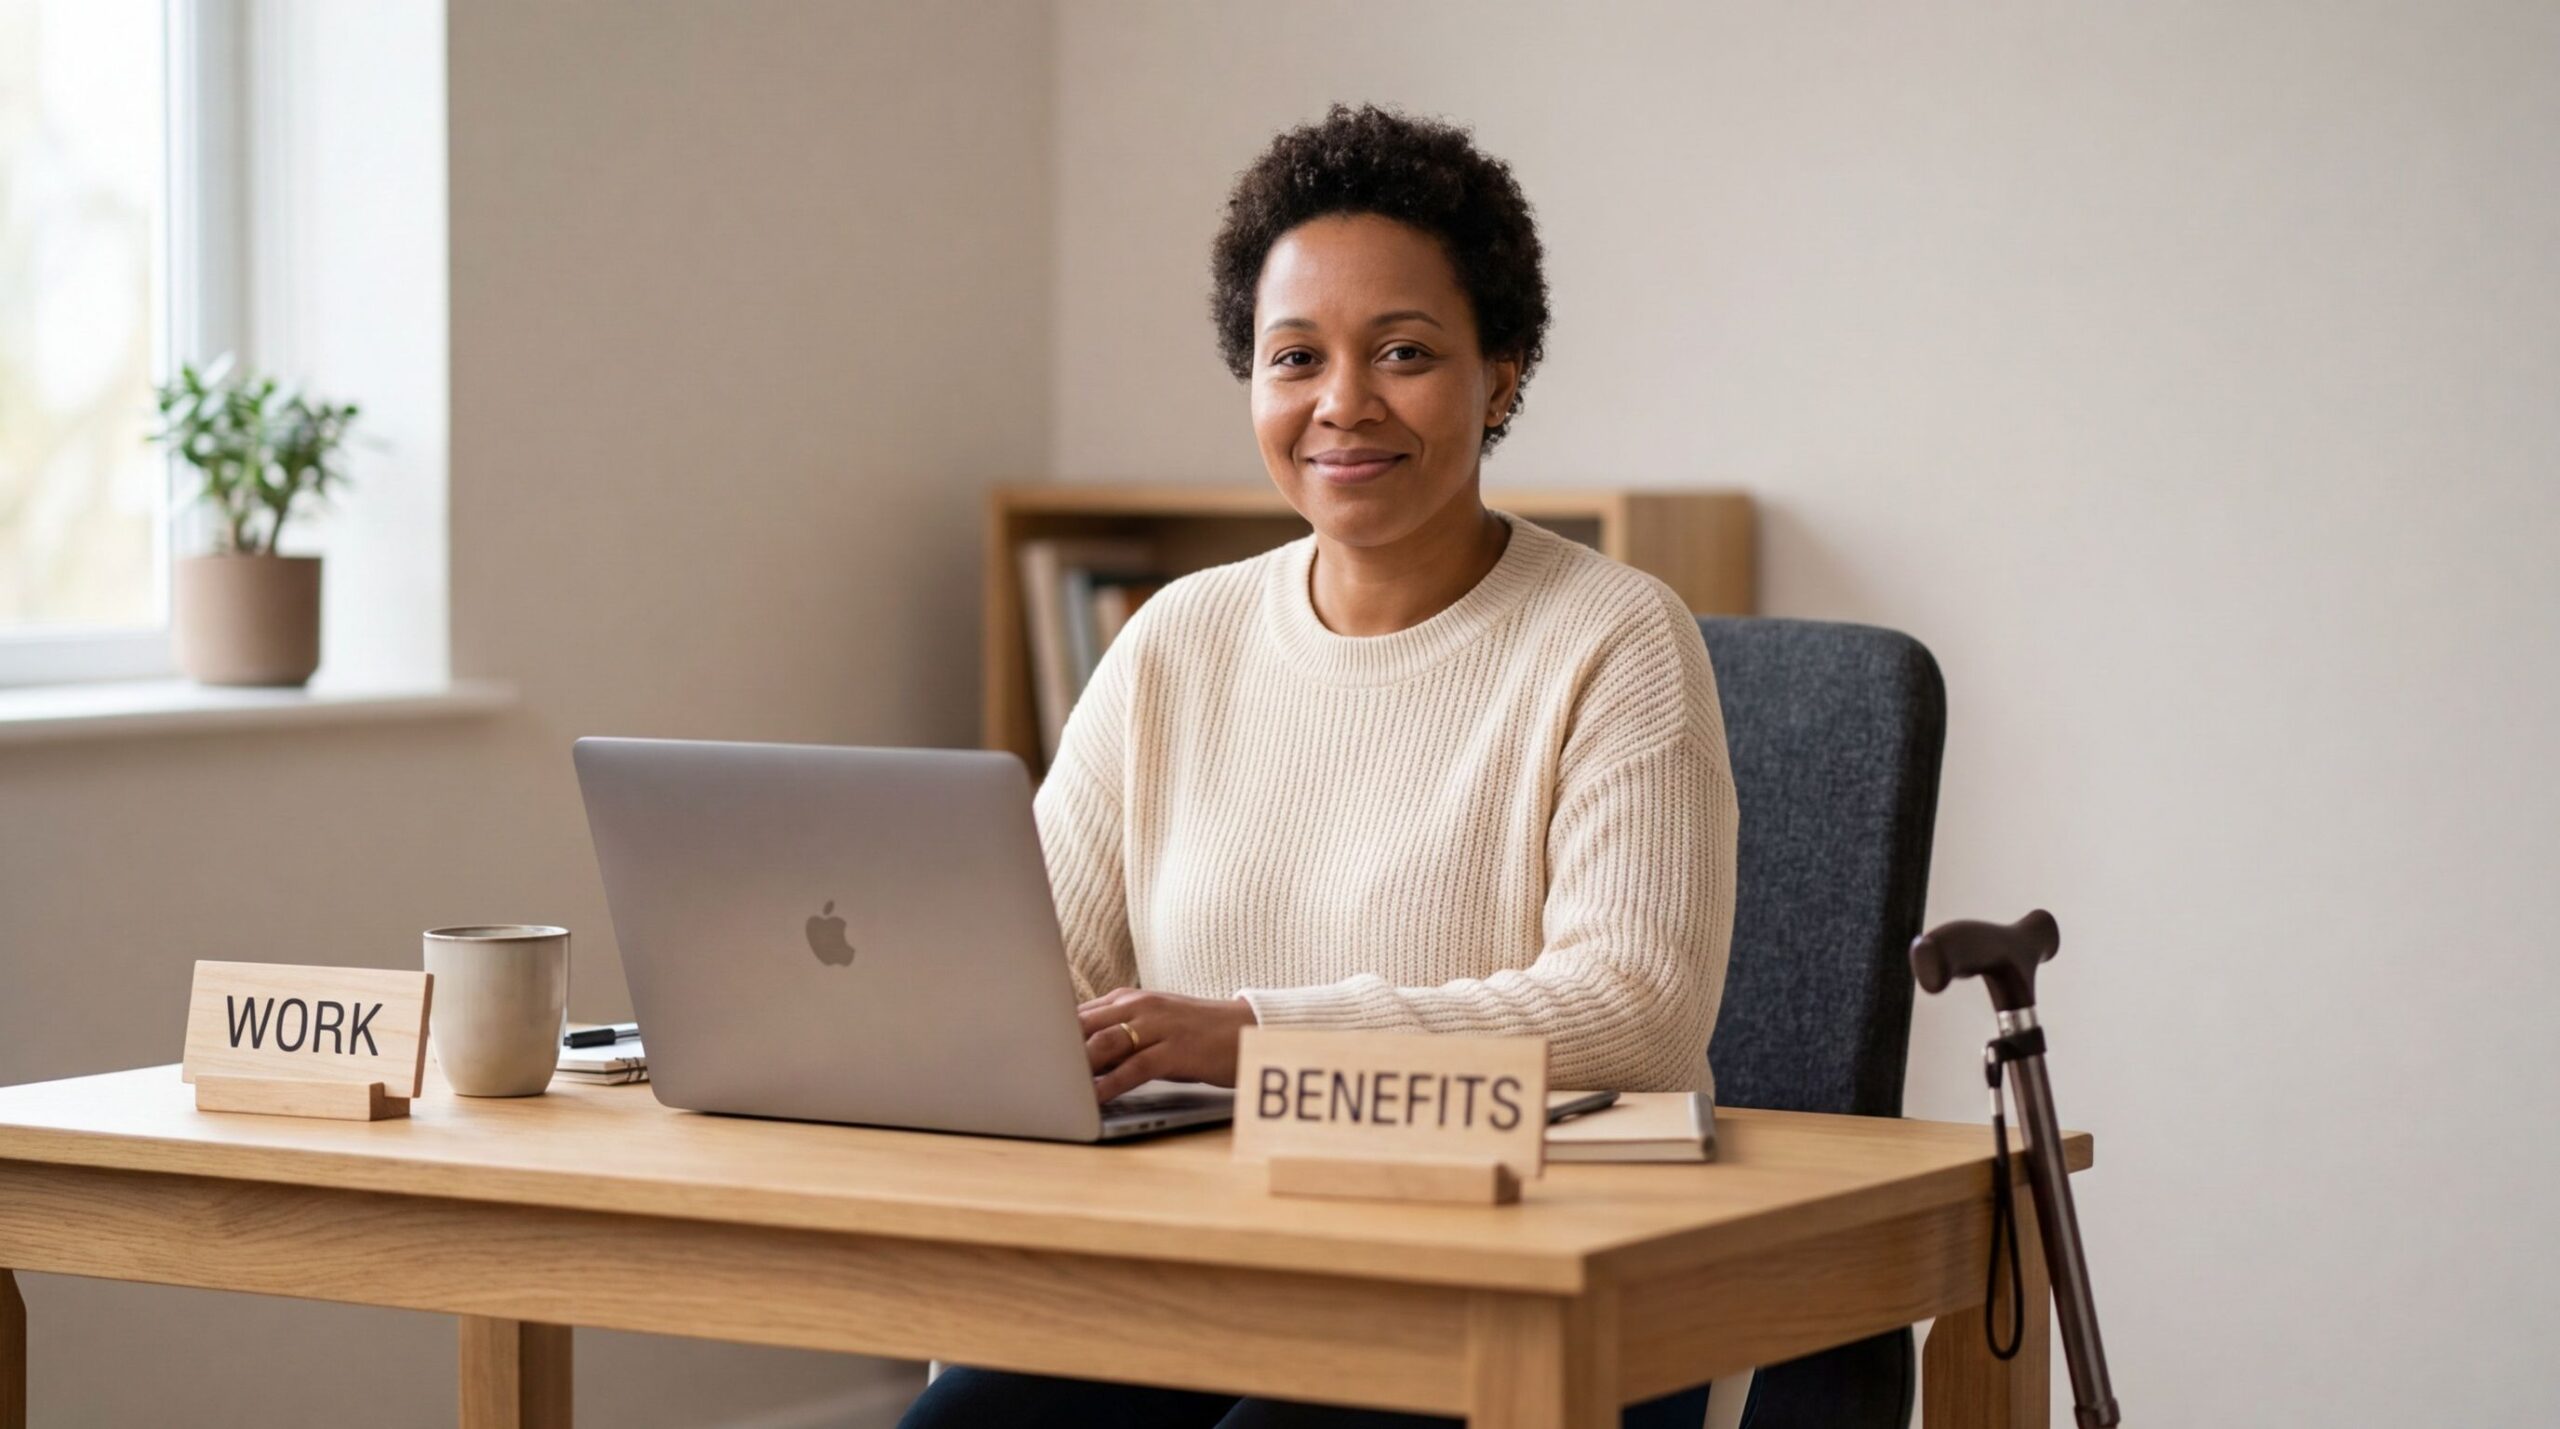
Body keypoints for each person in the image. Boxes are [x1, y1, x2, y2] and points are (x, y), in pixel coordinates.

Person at [902, 103, 1738, 1429]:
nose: (1342, 403)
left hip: (1523, 1281)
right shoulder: (1175, 637)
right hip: (1205, 1258)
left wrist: (1253, 1037)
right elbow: (1035, 963)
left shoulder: (1615, 636)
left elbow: (1633, 1010)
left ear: (1501, 373)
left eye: (1404, 352)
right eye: (1296, 357)